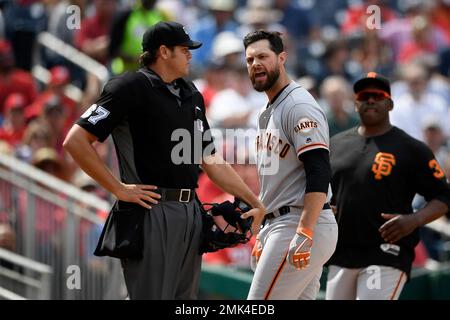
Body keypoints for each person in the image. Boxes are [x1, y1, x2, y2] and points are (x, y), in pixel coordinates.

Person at [63, 21, 265, 300]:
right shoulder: (129, 86)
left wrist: (253, 201)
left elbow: (209, 157)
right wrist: (118, 188)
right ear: (164, 52)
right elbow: (75, 141)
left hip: (190, 210)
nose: (190, 55)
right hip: (150, 209)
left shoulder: (191, 93)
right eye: (184, 49)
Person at [325, 72, 450, 300]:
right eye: (364, 95)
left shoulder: (412, 148)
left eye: (377, 95)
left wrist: (414, 220)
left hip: (386, 251)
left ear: (389, 103)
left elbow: (443, 197)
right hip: (342, 251)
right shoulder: (336, 144)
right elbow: (321, 191)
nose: (370, 100)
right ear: (355, 104)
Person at [243, 30, 338, 300]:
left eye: (263, 56)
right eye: (250, 60)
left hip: (300, 221)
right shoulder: (266, 111)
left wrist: (305, 231)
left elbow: (318, 170)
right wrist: (264, 227)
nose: (256, 64)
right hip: (282, 221)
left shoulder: (298, 105)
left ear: (282, 58)